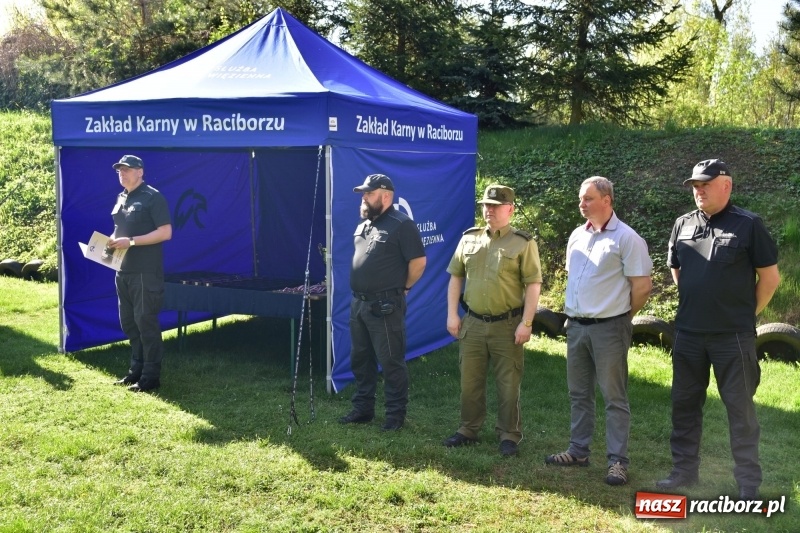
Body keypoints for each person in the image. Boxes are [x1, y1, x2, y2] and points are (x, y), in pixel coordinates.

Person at [657, 159, 780, 500]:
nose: (699, 191)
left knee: (740, 410)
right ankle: (684, 472)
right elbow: (677, 269)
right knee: (684, 404)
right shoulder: (682, 223)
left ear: (726, 185)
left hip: (732, 337)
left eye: (705, 184)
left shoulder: (748, 225)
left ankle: (748, 484)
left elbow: (770, 279)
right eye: (695, 186)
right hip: (688, 334)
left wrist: (744, 315)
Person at [545, 176, 653, 486]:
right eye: (581, 198)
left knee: (614, 397)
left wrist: (622, 317)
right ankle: (578, 451)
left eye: (588, 198)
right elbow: (576, 279)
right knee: (579, 393)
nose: (581, 203)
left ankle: (617, 462)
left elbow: (642, 287)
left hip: (610, 328)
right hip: (577, 327)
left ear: (607, 200)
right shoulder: (577, 235)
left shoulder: (627, 238)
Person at [443, 184, 542, 457]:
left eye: (496, 206)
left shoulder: (523, 243)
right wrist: (452, 314)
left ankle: (509, 434)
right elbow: (456, 277)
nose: (489, 210)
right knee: (469, 383)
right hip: (473, 323)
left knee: (508, 385)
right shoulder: (469, 239)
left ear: (510, 209)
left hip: (507, 325)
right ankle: (468, 429)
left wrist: (527, 322)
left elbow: (533, 284)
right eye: (486, 205)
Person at [338, 173, 426, 431]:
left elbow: (418, 262)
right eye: (363, 193)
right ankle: (363, 409)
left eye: (369, 193)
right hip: (359, 304)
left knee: (390, 361)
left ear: (386, 196)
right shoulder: (365, 224)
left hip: (385, 306)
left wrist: (404, 288)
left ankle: (395, 416)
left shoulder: (402, 225)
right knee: (360, 358)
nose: (364, 198)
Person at [107, 155, 172, 393]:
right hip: (122, 269)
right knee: (129, 323)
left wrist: (132, 241)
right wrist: (112, 239)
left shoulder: (153, 197)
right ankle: (135, 371)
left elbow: (165, 232)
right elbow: (119, 228)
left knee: (145, 323)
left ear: (140, 172)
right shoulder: (121, 197)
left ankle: (150, 377)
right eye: (119, 170)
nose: (122, 174)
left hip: (145, 272)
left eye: (127, 170)